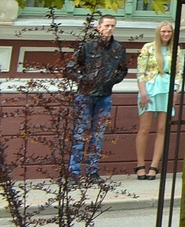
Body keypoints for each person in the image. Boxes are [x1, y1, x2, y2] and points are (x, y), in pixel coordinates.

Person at [67, 14, 127, 183]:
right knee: (80, 133)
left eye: (112, 26)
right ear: (99, 27)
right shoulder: (87, 46)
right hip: (85, 95)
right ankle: (74, 172)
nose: (109, 29)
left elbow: (122, 70)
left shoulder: (118, 49)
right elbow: (71, 68)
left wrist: (112, 81)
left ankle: (93, 172)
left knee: (98, 135)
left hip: (104, 96)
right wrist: (83, 80)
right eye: (107, 25)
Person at [135, 20, 176, 181]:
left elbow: (177, 73)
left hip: (166, 89)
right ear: (158, 32)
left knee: (161, 129)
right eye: (163, 31)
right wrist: (143, 93)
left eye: (169, 32)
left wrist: (175, 94)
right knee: (144, 128)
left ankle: (154, 165)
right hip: (150, 88)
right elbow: (141, 71)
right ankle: (140, 165)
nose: (166, 34)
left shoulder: (175, 50)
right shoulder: (148, 47)